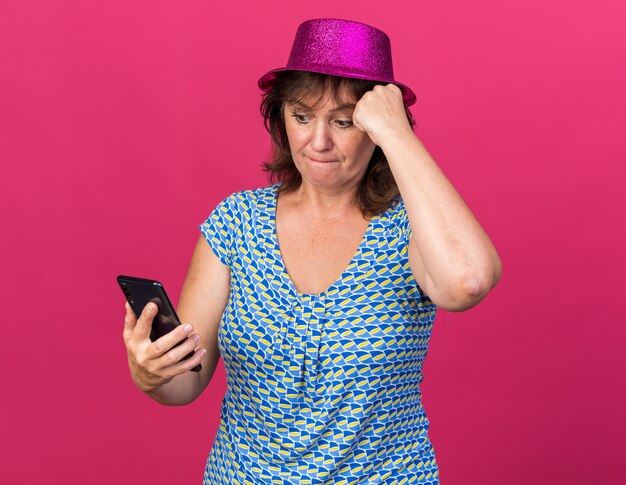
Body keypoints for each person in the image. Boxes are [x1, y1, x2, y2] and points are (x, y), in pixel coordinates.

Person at [122, 18, 502, 484]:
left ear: (376, 127)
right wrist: (151, 372)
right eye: (302, 116)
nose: (318, 142)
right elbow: (186, 383)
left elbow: (469, 281)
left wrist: (399, 136)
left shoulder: (411, 227)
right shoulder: (236, 223)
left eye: (343, 122)